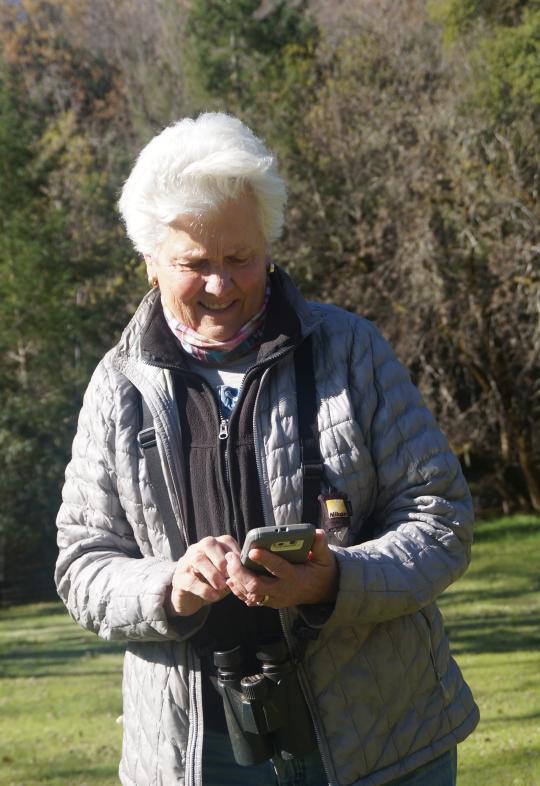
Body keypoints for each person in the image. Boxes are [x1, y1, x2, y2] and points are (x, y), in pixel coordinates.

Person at [55, 112, 479, 786]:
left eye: (240, 258)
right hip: (203, 755)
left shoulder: (351, 349)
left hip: (385, 736)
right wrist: (171, 586)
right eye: (194, 264)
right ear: (149, 262)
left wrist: (337, 581)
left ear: (269, 246)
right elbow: (82, 566)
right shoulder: (117, 386)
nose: (222, 285)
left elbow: (441, 518)